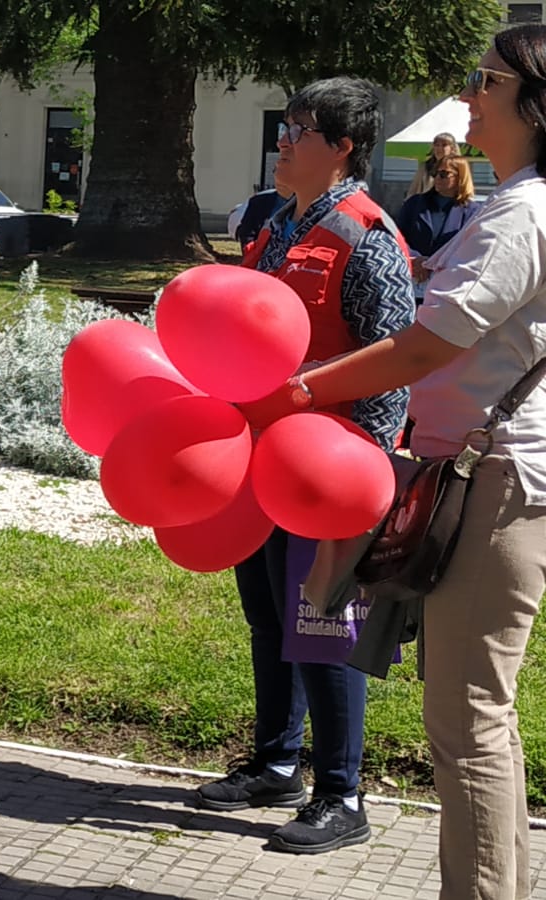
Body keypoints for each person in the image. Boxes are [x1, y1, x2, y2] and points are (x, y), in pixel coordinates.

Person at [242, 26, 546, 897]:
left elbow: (422, 347)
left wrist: (303, 393)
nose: (471, 94)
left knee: (467, 721)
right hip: (482, 475)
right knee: (481, 718)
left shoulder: (525, 211)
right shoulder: (514, 203)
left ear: (533, 104)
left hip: (495, 482)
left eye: (486, 81)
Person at [197, 77, 416, 855]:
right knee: (269, 617)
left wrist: (370, 475)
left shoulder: (367, 235)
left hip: (330, 471)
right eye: (284, 128)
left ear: (343, 146)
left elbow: (394, 360)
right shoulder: (275, 227)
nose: (282, 142)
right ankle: (277, 761)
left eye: (299, 130)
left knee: (323, 624)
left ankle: (341, 793)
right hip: (260, 460)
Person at [396, 155, 482, 290]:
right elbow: (397, 237)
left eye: (443, 174)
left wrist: (434, 263)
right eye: (435, 173)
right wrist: (416, 260)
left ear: (460, 177)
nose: (437, 178)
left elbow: (470, 247)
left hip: (448, 283)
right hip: (412, 280)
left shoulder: (473, 211)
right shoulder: (414, 203)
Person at [406, 132, 460, 198]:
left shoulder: (459, 167)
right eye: (437, 145)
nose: (439, 148)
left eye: (444, 145)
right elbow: (413, 190)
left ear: (452, 148)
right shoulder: (425, 166)